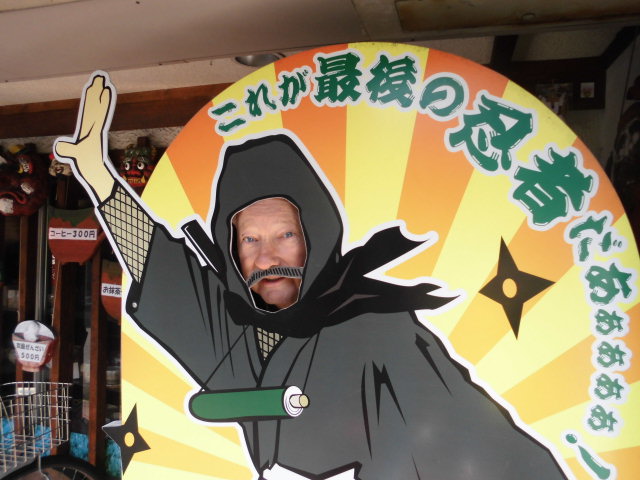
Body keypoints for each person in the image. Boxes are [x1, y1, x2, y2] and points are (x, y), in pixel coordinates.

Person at [56, 73, 568, 479]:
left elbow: (472, 434)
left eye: (285, 235)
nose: (266, 257)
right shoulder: (233, 331)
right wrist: (98, 176)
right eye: (249, 240)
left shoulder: (378, 331)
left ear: (315, 236)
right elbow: (163, 267)